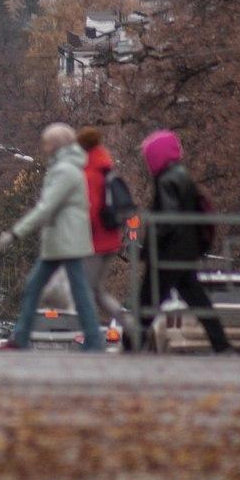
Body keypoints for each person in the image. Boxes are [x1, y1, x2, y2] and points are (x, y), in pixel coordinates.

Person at [0, 123, 104, 352]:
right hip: (61, 239)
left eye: (47, 142)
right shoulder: (65, 166)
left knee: (67, 290)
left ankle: (93, 341)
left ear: (56, 145)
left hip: (66, 240)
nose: (43, 147)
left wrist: (16, 232)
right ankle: (22, 337)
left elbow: (46, 207)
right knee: (46, 287)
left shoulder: (65, 170)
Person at [138, 130, 231, 354]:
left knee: (147, 300)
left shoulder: (167, 179)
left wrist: (150, 245)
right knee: (197, 299)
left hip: (168, 252)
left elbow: (167, 218)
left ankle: (131, 344)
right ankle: (222, 345)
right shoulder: (182, 175)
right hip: (185, 250)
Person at [76, 126, 132, 342]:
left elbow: (91, 210)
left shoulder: (91, 172)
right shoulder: (105, 166)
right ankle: (131, 328)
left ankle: (93, 338)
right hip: (110, 239)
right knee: (96, 292)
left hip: (97, 242)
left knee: (86, 291)